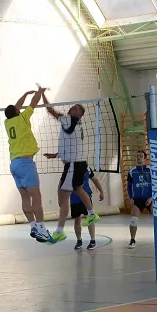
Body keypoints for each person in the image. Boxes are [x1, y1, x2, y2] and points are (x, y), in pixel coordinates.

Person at [42, 90, 98, 242]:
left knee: (64, 195)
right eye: (74, 106)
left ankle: (60, 230)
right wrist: (56, 154)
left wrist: (42, 94)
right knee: (75, 190)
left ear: (80, 114)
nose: (74, 108)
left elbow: (50, 110)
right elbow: (70, 147)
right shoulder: (74, 125)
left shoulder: (69, 121)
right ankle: (90, 215)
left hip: (75, 165)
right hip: (74, 164)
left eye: (77, 108)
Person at [4, 88, 52, 243]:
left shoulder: (7, 122)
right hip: (25, 163)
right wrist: (39, 92)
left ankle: (33, 226)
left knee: (25, 197)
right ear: (18, 112)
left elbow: (16, 107)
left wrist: (24, 94)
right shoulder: (22, 118)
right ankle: (42, 229)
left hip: (14, 164)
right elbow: (34, 102)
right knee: (36, 196)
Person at [72, 168, 105, 251]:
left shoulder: (87, 168)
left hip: (86, 196)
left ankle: (93, 241)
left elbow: (95, 180)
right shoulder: (69, 168)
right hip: (74, 197)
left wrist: (101, 192)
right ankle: (79, 241)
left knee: (90, 217)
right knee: (77, 220)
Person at [125, 150, 153, 248]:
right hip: (137, 200)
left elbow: (156, 185)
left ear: (145, 158)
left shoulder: (150, 170)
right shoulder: (132, 171)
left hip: (150, 198)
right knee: (133, 219)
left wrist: (152, 198)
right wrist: (131, 198)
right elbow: (129, 187)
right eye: (137, 156)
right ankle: (132, 240)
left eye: (140, 156)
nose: (138, 157)